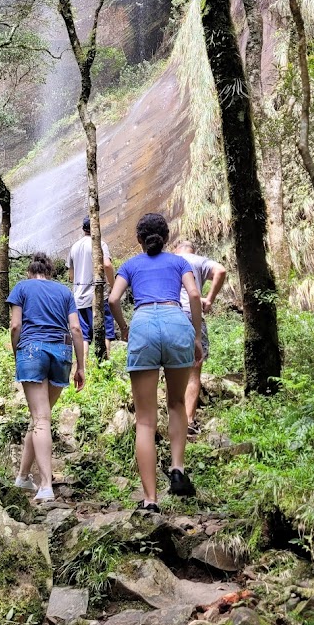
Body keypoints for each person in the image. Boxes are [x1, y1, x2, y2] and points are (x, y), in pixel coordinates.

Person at [108, 213, 203, 512]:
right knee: (176, 403)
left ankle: (150, 500)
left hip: (144, 324)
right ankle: (177, 469)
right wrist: (197, 337)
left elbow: (112, 299)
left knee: (146, 420)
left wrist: (124, 327)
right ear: (166, 236)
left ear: (139, 239)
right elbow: (195, 293)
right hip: (177, 322)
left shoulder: (131, 265)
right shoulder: (179, 262)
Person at [7, 252, 86, 502]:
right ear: (50, 272)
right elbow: (75, 328)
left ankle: (46, 486)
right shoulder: (64, 292)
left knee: (41, 419)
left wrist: (16, 352)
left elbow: (15, 326)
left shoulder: (21, 288)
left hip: (32, 350)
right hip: (61, 354)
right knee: (41, 417)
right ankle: (22, 477)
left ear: (30, 272)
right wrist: (80, 366)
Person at [174, 240, 227, 437]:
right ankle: (188, 421)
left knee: (172, 368)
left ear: (175, 249)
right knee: (194, 370)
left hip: (170, 316)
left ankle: (173, 420)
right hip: (193, 315)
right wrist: (210, 299)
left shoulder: (169, 259)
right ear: (193, 251)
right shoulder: (199, 261)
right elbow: (220, 271)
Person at [66, 216, 116, 358]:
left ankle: (84, 369)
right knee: (106, 332)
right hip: (99, 296)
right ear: (96, 227)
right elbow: (107, 265)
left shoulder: (74, 247)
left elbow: (71, 276)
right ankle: (105, 366)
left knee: (84, 336)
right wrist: (113, 286)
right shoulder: (100, 244)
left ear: (83, 229)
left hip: (80, 297)